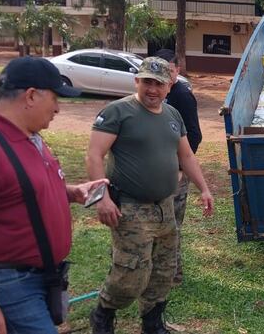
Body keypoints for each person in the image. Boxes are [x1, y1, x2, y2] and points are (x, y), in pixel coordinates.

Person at [0, 57, 108, 334]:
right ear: (31, 96)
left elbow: (19, 191)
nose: (57, 108)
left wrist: (71, 193)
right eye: (55, 98)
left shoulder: (30, 138)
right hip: (6, 282)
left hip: (36, 277)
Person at [86, 57, 214, 334]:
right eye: (147, 82)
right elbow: (95, 155)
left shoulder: (172, 115)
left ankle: (152, 322)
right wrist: (101, 198)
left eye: (159, 83)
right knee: (130, 273)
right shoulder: (118, 112)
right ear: (137, 82)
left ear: (169, 86)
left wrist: (204, 187)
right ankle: (103, 313)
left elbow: (187, 155)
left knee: (163, 270)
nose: (152, 89)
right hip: (130, 208)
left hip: (164, 207)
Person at [154, 49, 202, 284]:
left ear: (177, 70)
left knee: (171, 225)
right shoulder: (156, 95)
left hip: (176, 172)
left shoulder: (181, 95)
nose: (164, 76)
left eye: (169, 71)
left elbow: (194, 134)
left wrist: (182, 167)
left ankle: (174, 274)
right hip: (156, 173)